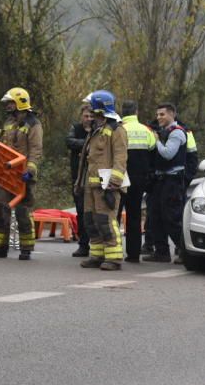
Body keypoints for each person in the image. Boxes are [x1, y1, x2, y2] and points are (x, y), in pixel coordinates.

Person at [0, 87, 43, 261]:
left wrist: (30, 170)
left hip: (23, 175)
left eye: (10, 102)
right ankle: (0, 247)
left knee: (23, 213)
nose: (7, 106)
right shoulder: (8, 122)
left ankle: (26, 249)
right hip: (5, 174)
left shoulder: (33, 124)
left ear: (19, 102)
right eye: (7, 103)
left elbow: (36, 150)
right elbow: (2, 145)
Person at [76, 90, 128, 270]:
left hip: (106, 185)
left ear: (99, 108)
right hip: (91, 185)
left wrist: (114, 182)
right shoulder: (95, 130)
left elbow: (120, 157)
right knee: (91, 221)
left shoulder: (116, 129)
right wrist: (79, 184)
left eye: (92, 107)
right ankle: (97, 255)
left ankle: (114, 258)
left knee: (105, 220)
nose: (89, 111)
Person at [144, 103, 187, 263]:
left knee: (171, 218)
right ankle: (161, 252)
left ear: (172, 115)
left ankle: (184, 251)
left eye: (162, 114)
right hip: (160, 180)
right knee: (155, 216)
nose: (159, 117)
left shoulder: (177, 133)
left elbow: (168, 154)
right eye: (157, 115)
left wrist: (156, 141)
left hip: (172, 181)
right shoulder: (164, 132)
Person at [119, 100, 156, 262]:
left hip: (119, 178)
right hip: (139, 179)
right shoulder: (146, 130)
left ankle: (112, 251)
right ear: (136, 112)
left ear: (122, 112)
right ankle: (133, 254)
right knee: (134, 216)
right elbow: (154, 153)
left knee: (114, 215)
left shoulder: (119, 130)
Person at [65, 102, 93, 257]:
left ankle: (97, 245)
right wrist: (87, 144)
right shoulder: (76, 129)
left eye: (91, 116)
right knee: (81, 212)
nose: (88, 119)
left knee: (94, 214)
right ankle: (83, 245)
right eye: (86, 116)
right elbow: (69, 141)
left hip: (95, 178)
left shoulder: (98, 130)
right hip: (78, 178)